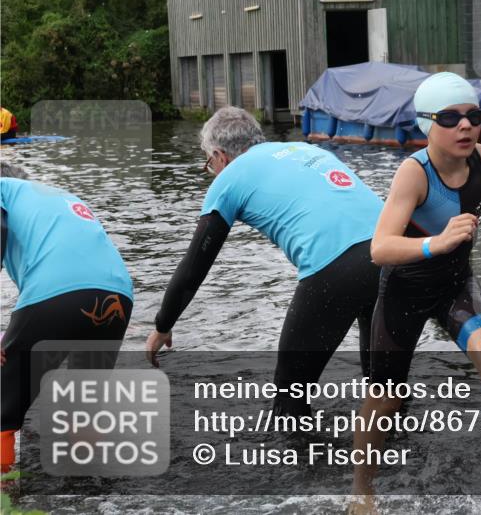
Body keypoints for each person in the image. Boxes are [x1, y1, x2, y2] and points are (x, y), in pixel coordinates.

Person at [349, 73, 481, 515]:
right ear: (426, 124)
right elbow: (380, 248)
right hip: (405, 291)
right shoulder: (414, 174)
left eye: (473, 116)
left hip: (456, 285)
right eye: (449, 118)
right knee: (384, 396)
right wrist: (435, 243)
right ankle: (363, 491)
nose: (465, 126)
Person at [144, 107, 384, 417]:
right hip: (392, 253)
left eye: (209, 163)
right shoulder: (304, 149)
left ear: (219, 156)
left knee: (290, 395)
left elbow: (193, 268)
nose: (212, 170)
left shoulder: (230, 178)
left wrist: (163, 325)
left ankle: (298, 448)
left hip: (335, 267)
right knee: (384, 387)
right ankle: (395, 444)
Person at [1, 161, 134, 474]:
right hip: (118, 295)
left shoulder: (3, 189)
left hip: (58, 291)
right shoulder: (55, 197)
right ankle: (89, 485)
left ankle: (4, 490)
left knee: (3, 407)